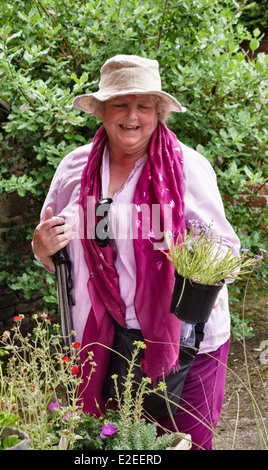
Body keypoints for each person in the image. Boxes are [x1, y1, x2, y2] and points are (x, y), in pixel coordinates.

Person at [32, 55, 240, 450]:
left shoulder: (187, 168)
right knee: (121, 446)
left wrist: (194, 265)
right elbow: (53, 250)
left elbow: (226, 251)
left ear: (158, 112)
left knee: (186, 445)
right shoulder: (75, 167)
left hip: (186, 345)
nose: (132, 116)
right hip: (105, 344)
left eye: (144, 105)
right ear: (103, 111)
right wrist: (41, 247)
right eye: (120, 104)